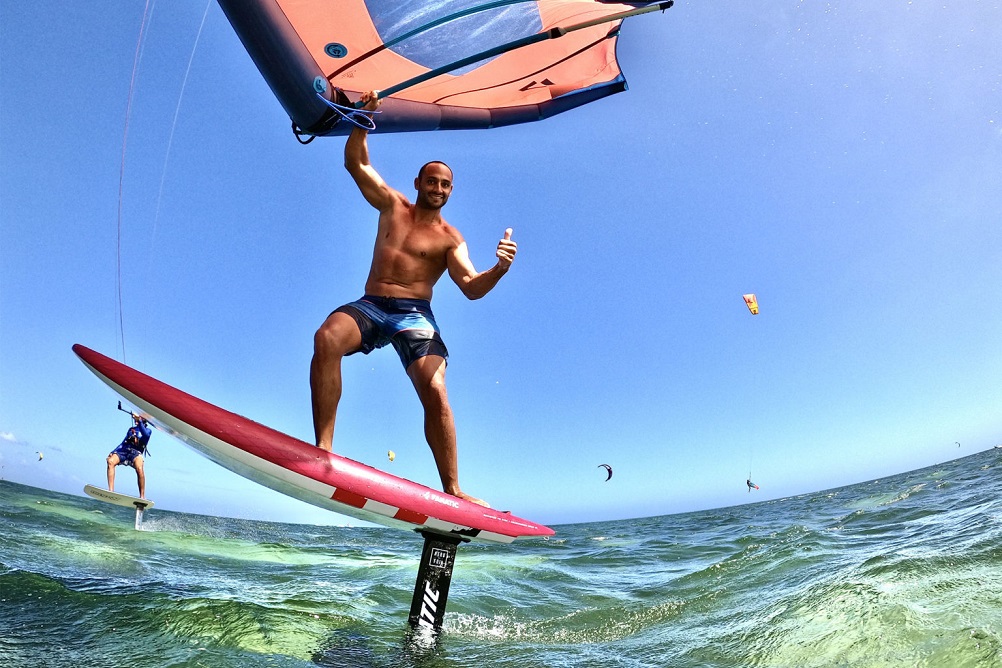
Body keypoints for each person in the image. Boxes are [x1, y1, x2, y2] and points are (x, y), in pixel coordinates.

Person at [310, 90, 517, 508]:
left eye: (445, 184)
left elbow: (470, 286)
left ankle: (453, 489)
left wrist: (499, 268)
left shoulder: (450, 238)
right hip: (372, 303)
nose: (438, 188)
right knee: (327, 338)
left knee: (435, 390)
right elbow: (356, 163)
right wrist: (363, 118)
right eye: (432, 181)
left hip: (414, 314)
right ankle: (323, 451)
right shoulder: (392, 206)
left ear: (451, 191)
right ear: (418, 183)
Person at [106, 412, 152, 498]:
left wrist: (140, 420)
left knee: (140, 469)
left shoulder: (148, 431)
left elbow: (145, 435)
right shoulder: (131, 430)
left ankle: (142, 496)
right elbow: (123, 443)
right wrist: (113, 451)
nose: (135, 421)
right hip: (124, 452)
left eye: (137, 420)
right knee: (110, 461)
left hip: (135, 454)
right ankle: (111, 491)